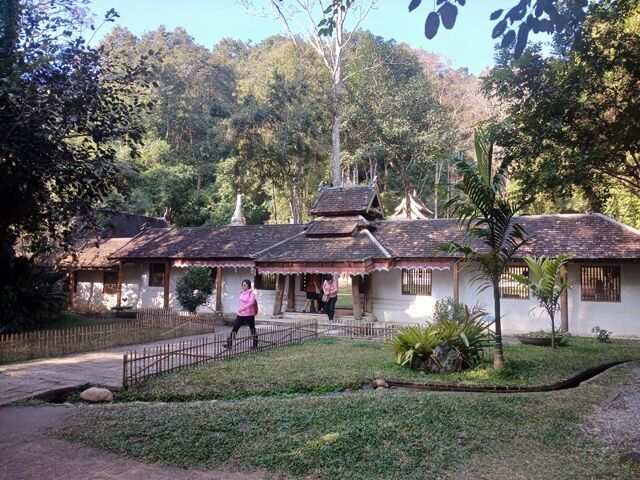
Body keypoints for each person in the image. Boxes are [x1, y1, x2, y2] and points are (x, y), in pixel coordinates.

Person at [225, 279, 258, 350]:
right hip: (241, 314)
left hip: (249, 314)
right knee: (235, 328)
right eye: (242, 285)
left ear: (248, 285)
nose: (243, 286)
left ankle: (255, 344)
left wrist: (243, 308)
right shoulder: (241, 293)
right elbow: (241, 303)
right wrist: (239, 309)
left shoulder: (251, 293)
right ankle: (229, 343)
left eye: (245, 285)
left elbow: (251, 303)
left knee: (252, 329)